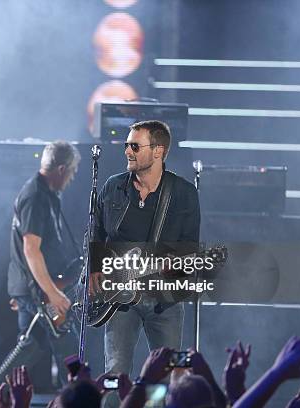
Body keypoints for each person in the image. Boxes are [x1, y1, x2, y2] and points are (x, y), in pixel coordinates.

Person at [90, 120, 200, 379]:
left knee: (170, 376)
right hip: (119, 299)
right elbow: (95, 231)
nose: (128, 151)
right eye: (127, 145)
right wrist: (95, 266)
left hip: (164, 302)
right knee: (115, 374)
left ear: (158, 151)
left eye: (135, 146)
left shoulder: (183, 193)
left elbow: (189, 248)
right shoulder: (113, 187)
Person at [6, 140, 81, 384]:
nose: (72, 178)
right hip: (39, 292)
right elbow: (30, 249)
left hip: (34, 290)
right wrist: (52, 292)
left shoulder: (47, 195)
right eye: (72, 172)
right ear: (61, 169)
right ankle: (76, 396)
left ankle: (1, 397)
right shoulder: (36, 196)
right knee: (68, 347)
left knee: (31, 348)